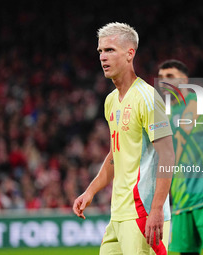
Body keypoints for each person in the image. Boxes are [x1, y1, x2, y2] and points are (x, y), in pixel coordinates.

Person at [73, 22, 175, 255]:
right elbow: (114, 155)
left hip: (143, 213)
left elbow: (168, 155)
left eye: (110, 50)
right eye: (100, 51)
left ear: (130, 54)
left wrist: (157, 209)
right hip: (118, 215)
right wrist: (90, 191)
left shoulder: (147, 98)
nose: (102, 57)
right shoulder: (111, 101)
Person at [158, 60, 203, 255]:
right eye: (161, 78)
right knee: (185, 252)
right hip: (180, 198)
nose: (164, 82)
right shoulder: (164, 115)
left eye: (170, 76)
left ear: (185, 79)